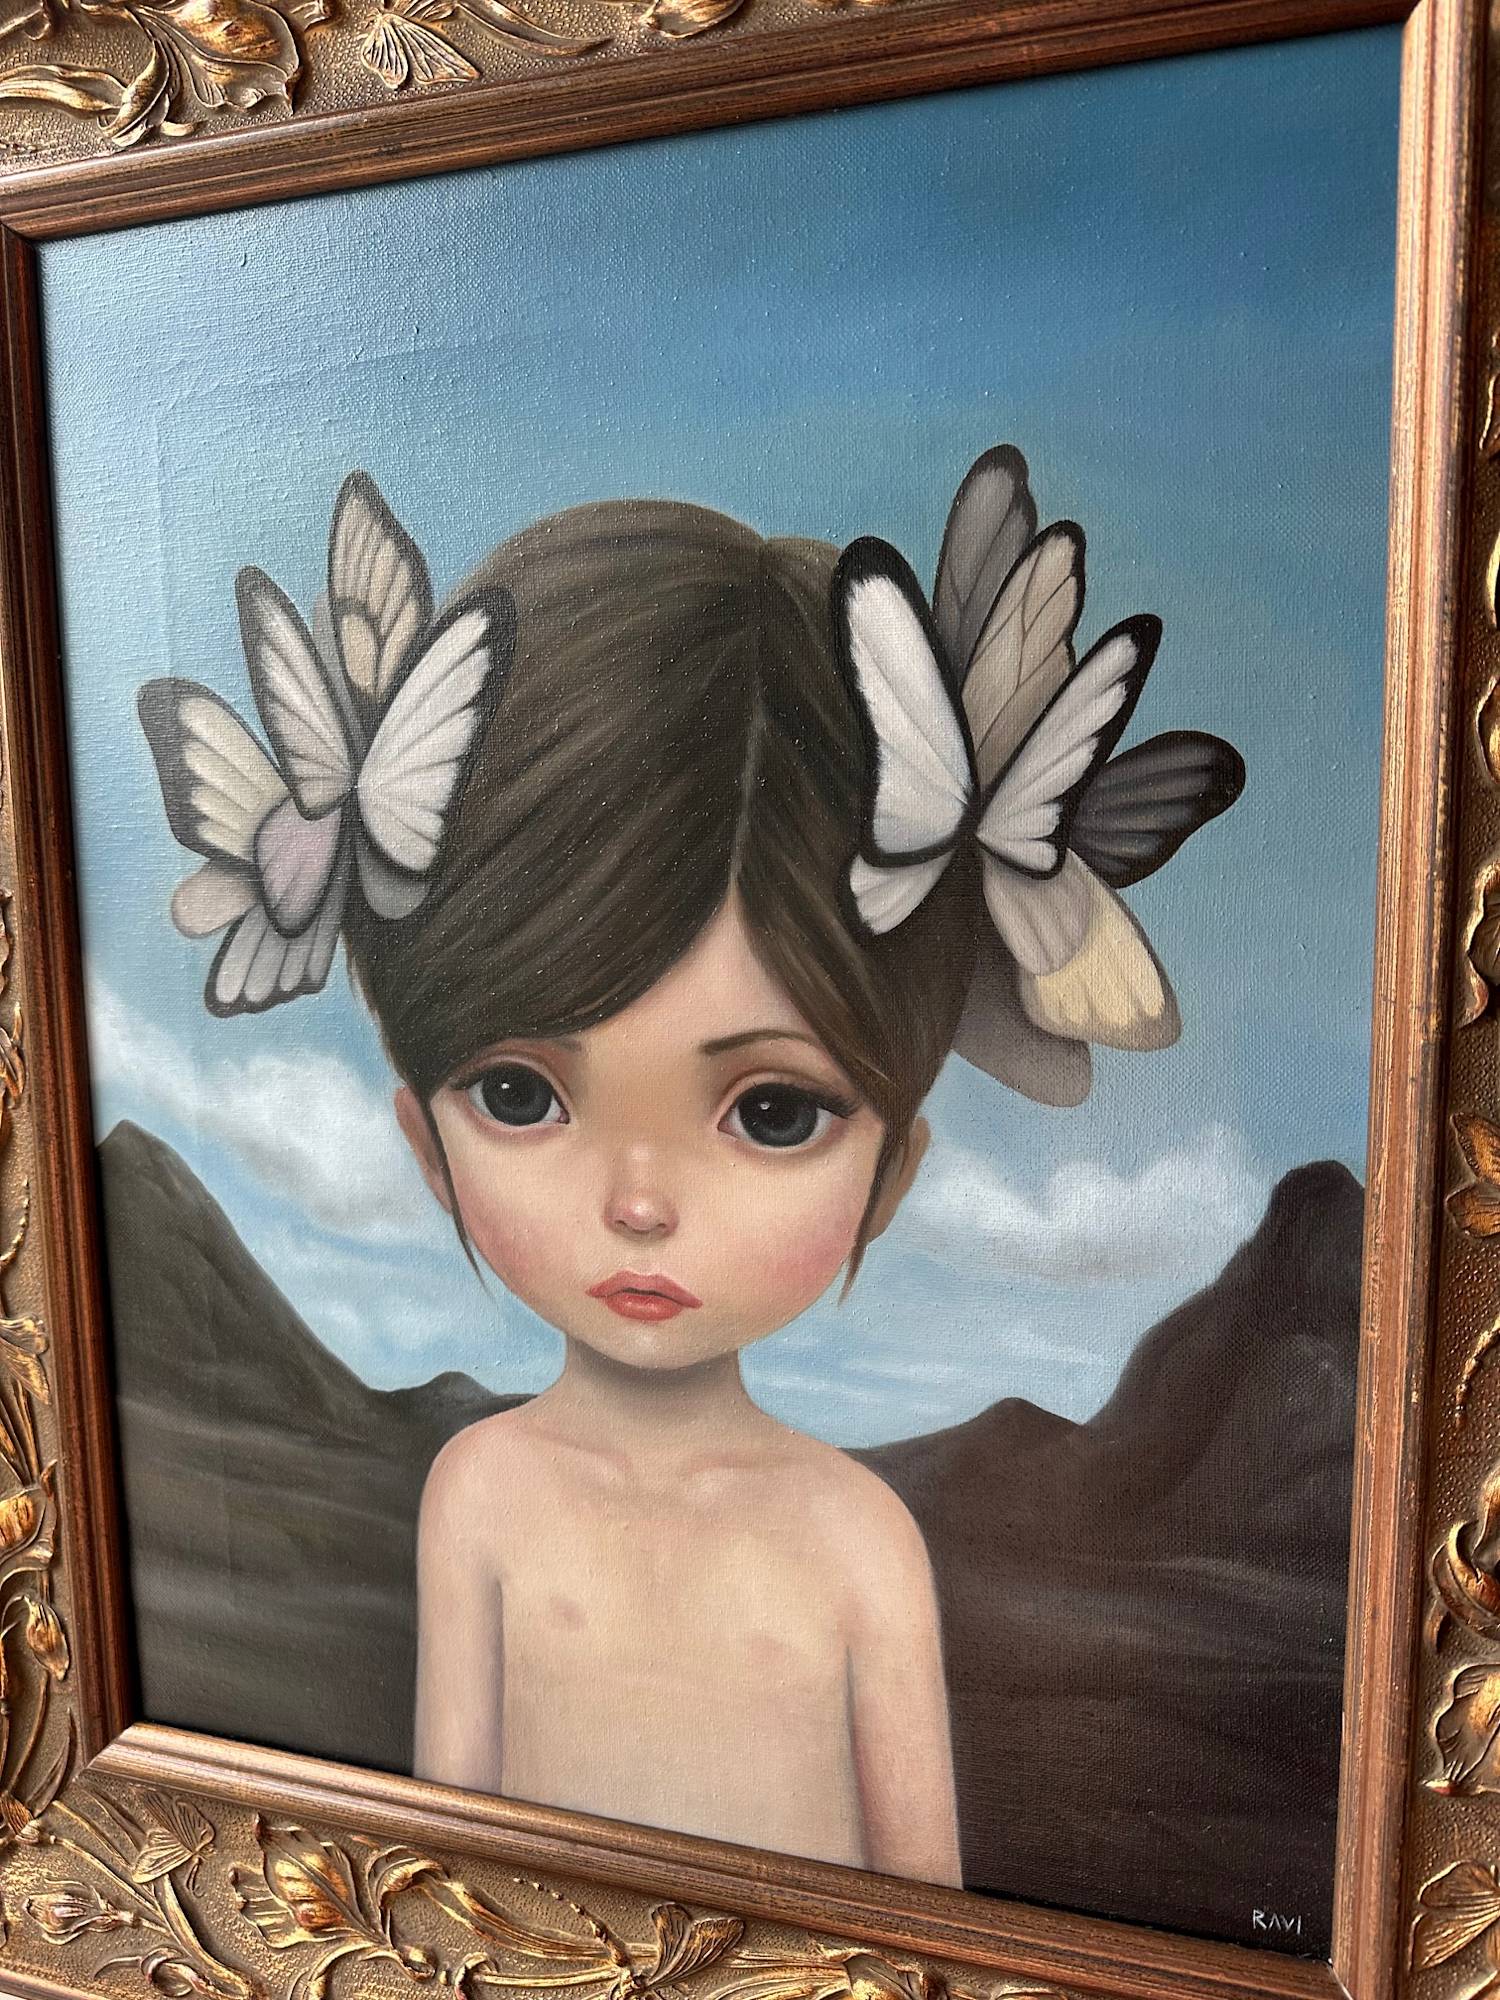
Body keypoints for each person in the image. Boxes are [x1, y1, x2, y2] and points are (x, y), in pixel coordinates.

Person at [137, 449, 1243, 1887]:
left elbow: (935, 1923)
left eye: (773, 1112)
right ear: (425, 1144)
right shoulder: (480, 1494)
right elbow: (437, 1889)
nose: (641, 1203)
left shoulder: (860, 1543)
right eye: (522, 1094)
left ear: (892, 1174)